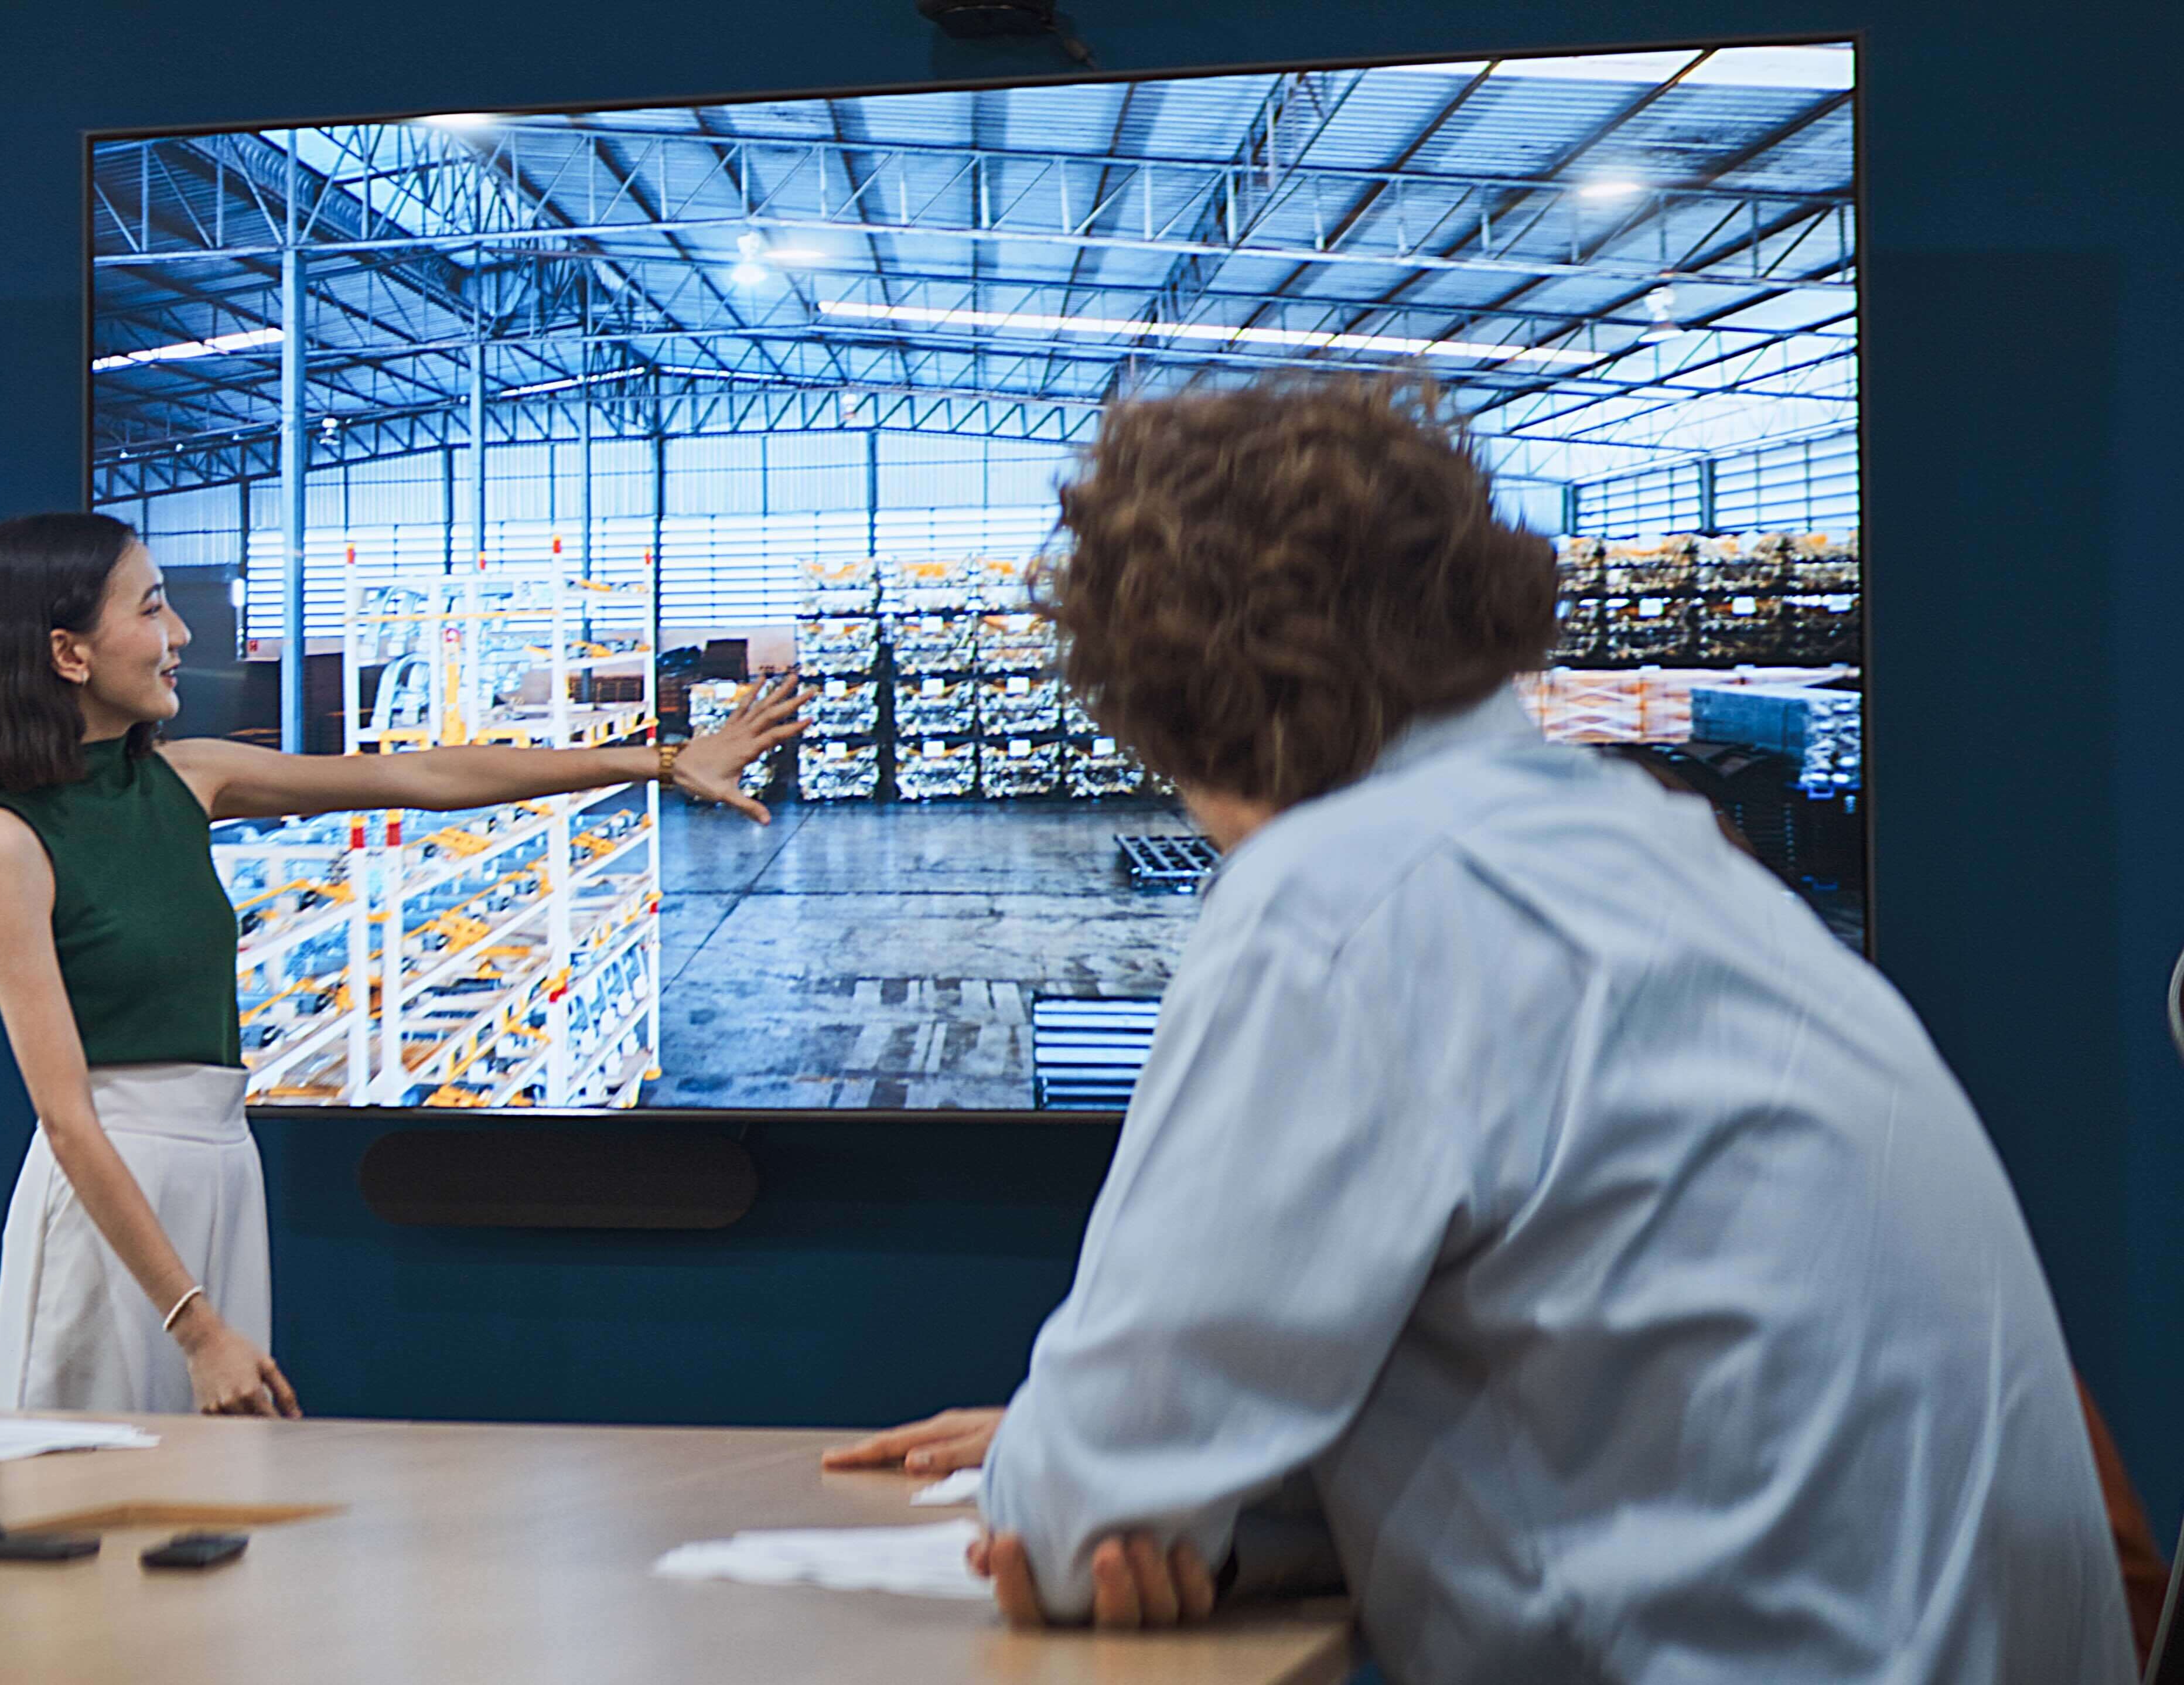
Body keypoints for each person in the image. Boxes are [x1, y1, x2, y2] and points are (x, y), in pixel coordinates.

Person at [890, 377, 2128, 1680]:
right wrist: (1182, 1482)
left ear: (1167, 694)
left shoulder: (1341, 898)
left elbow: (1076, 1517)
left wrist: (1093, 1458)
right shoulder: (1664, 856)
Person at [0, 512, 801, 1415]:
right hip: (110, 1201)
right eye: (153, 609)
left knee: (205, 1512)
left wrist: (664, 762)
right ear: (68, 654)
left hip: (221, 1166)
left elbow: (424, 779)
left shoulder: (186, 777)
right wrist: (196, 1327)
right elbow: (67, 1119)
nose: (183, 637)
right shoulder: (5, 842)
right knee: (84, 1508)